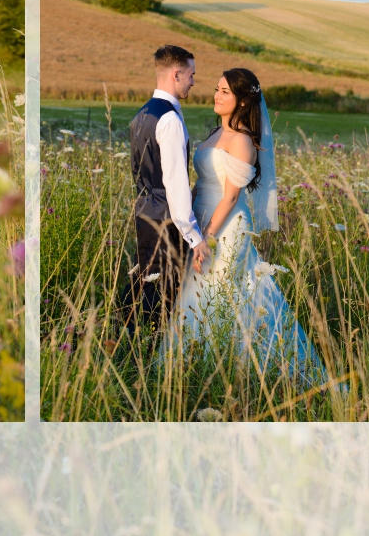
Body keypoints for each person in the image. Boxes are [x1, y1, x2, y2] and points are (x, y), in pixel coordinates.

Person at [165, 67, 333, 389]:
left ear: (243, 101)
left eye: (225, 91)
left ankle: (244, 369)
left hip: (226, 228)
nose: (217, 95)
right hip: (202, 221)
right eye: (217, 89)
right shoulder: (215, 134)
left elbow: (229, 197)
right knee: (197, 293)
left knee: (222, 295)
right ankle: (196, 366)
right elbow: (200, 184)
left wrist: (208, 238)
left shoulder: (242, 141)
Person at [126, 45, 204, 333]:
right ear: (176, 74)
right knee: (162, 294)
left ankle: (126, 340)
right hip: (166, 219)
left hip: (144, 212)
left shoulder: (142, 113)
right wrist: (194, 236)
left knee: (145, 282)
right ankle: (147, 352)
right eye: (191, 75)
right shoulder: (169, 119)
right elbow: (175, 183)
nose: (193, 82)